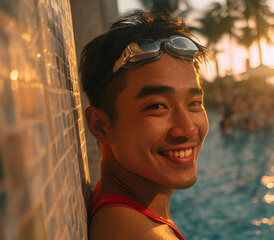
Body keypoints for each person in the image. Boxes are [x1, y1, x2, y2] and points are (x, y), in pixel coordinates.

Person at [80, 11, 209, 239]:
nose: (188, 129)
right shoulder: (141, 233)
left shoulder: (113, 203)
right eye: (157, 106)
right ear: (101, 126)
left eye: (194, 103)